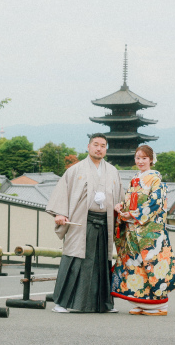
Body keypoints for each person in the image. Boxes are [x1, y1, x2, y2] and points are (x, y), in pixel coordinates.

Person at [46, 133, 124, 313]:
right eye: (95, 144)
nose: (99, 148)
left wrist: (121, 207)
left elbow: (120, 199)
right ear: (88, 147)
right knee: (74, 259)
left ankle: (104, 304)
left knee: (103, 263)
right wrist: (60, 213)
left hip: (105, 222)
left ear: (106, 149)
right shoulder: (75, 170)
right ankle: (62, 302)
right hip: (82, 221)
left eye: (103, 145)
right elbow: (62, 192)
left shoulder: (113, 171)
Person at [111, 144, 175, 315]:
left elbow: (155, 203)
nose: (140, 161)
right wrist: (123, 206)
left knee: (153, 265)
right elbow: (132, 200)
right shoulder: (135, 178)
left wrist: (134, 214)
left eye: (144, 158)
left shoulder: (156, 179)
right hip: (133, 230)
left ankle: (160, 305)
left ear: (151, 159)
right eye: (138, 158)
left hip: (150, 232)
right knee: (137, 267)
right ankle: (142, 302)